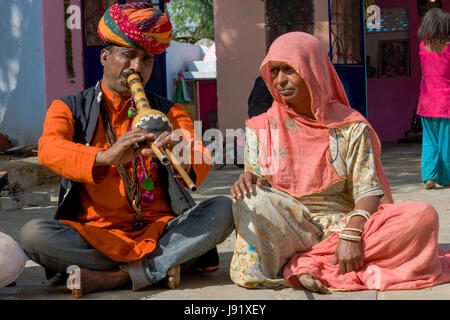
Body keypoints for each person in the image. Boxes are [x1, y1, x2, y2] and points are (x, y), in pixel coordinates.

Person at [20, 2, 234, 298]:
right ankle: (161, 265)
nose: (137, 67)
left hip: (160, 230)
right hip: (96, 234)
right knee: (33, 235)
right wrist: (105, 157)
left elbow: (200, 157)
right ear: (105, 56)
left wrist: (178, 147)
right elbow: (49, 149)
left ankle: (116, 277)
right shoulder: (68, 107)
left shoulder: (168, 111)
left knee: (224, 208)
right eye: (128, 55)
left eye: (146, 60)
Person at [229, 32, 450, 292]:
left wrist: (353, 232)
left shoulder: (350, 126)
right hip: (290, 227)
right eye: (274, 71)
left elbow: (368, 192)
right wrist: (249, 181)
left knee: (422, 216)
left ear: (312, 70)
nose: (279, 80)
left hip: (343, 223)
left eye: (289, 70)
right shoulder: (262, 127)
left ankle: (308, 262)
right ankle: (326, 261)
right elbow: (260, 182)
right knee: (251, 200)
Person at [416, 8, 450, 190]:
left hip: (426, 102)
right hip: (446, 102)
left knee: (429, 141)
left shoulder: (423, 47)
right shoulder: (448, 49)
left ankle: (429, 177)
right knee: (446, 143)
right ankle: (445, 178)